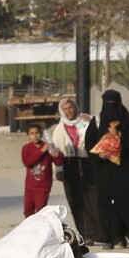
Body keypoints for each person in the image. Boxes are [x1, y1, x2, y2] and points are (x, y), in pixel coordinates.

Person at [85, 89, 129, 248]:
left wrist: (120, 134)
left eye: (113, 103)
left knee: (125, 200)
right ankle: (110, 238)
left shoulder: (125, 119)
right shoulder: (98, 121)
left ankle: (128, 235)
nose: (110, 107)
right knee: (106, 203)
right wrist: (99, 155)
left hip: (123, 168)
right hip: (103, 170)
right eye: (107, 103)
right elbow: (89, 143)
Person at [49, 97, 102, 244]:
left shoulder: (86, 121)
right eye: (65, 109)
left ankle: (101, 233)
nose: (69, 111)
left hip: (88, 163)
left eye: (71, 107)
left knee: (93, 198)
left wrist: (93, 120)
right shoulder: (59, 128)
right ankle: (86, 234)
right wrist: (58, 169)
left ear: (76, 107)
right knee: (76, 200)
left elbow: (102, 132)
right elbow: (56, 150)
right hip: (69, 165)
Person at [20, 123, 55, 216]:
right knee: (28, 211)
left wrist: (57, 154)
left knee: (40, 211)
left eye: (37, 133)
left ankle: (41, 229)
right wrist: (41, 151)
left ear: (41, 134)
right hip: (30, 186)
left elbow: (58, 162)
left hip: (43, 187)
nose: (35, 136)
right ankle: (30, 229)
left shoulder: (48, 146)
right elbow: (27, 162)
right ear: (28, 136)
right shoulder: (26, 148)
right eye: (32, 133)